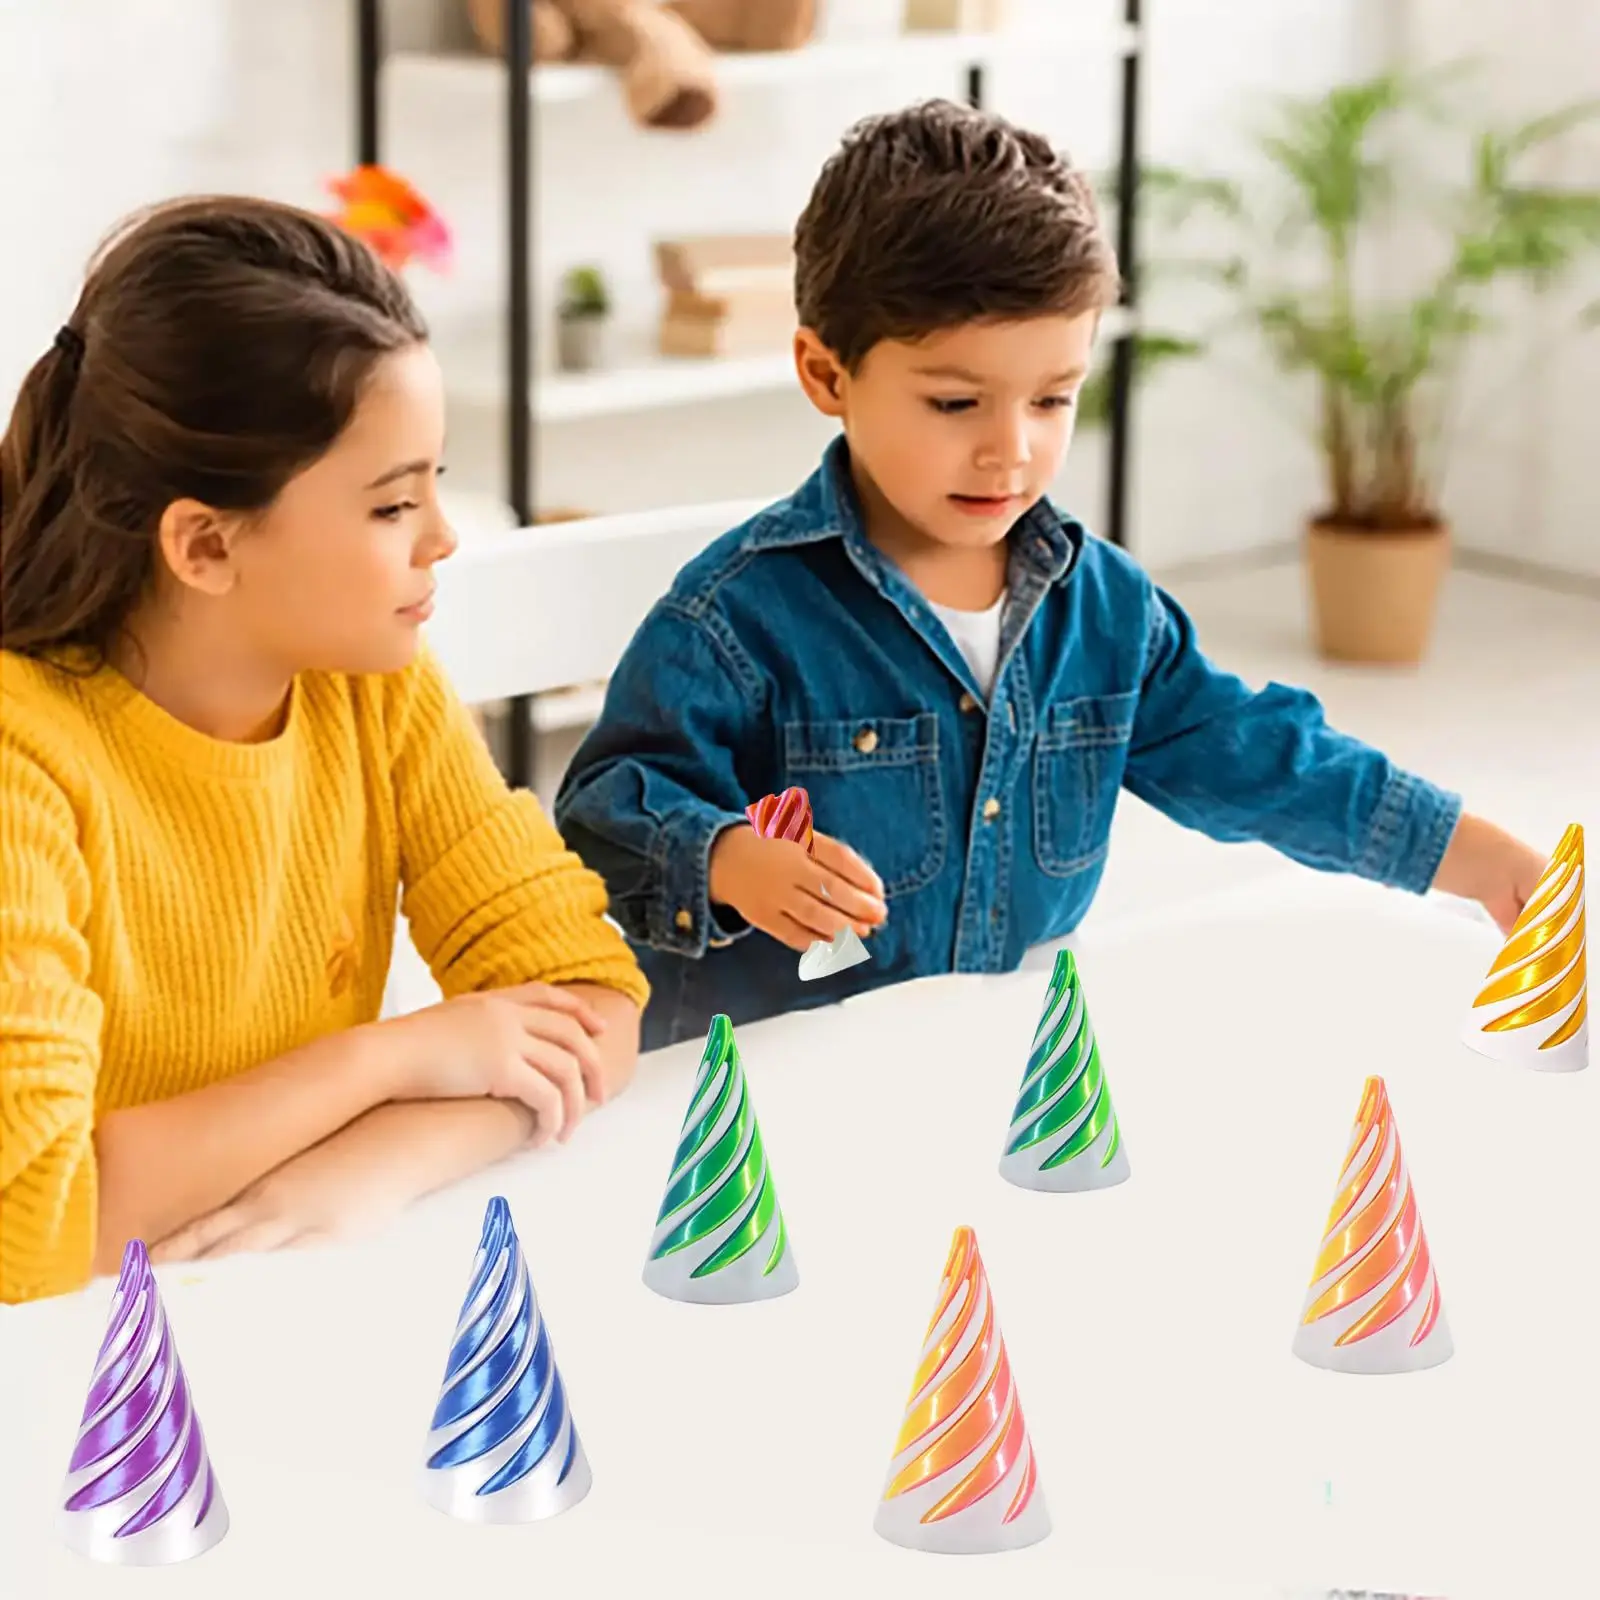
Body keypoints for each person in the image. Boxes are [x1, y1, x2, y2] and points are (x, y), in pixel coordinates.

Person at [554, 100, 1546, 1052]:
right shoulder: (734, 618)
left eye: (1052, 398)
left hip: (1011, 1075)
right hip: (763, 1113)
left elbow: (1268, 760)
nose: (1010, 451)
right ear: (826, 375)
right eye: (955, 403)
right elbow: (602, 818)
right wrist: (724, 859)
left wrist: (1471, 856)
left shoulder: (1107, 611)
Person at [0, 197, 649, 1305]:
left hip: (264, 1301)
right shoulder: (27, 760)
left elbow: (586, 998)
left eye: (436, 482)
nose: (443, 537)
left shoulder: (371, 686)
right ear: (206, 543)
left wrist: (373, 1167)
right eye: (395, 502)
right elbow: (39, 1219)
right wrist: (392, 1057)